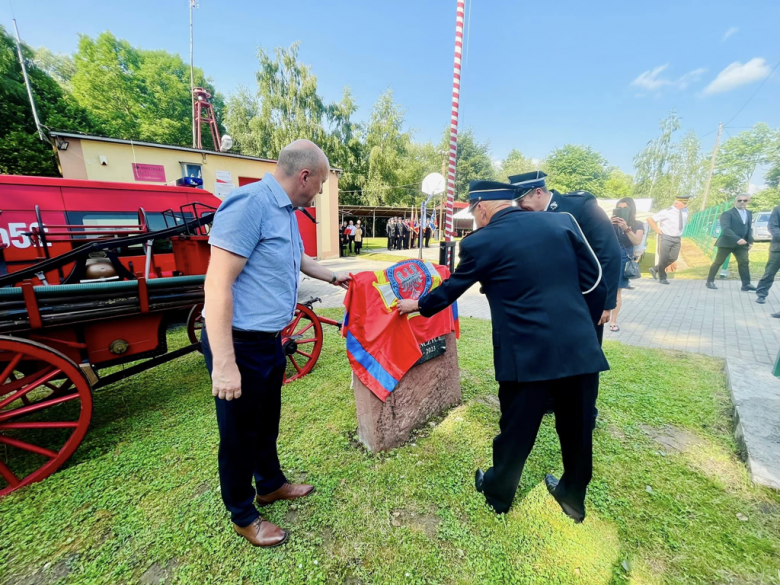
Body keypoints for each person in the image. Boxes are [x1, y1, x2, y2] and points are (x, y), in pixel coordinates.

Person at [398, 180, 608, 522]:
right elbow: (592, 280)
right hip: (579, 347)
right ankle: (573, 497)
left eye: (474, 213)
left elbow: (451, 289)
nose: (475, 220)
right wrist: (579, 327)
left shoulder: (481, 241)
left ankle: (498, 494)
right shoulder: (562, 221)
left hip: (526, 352)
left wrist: (418, 305)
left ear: (482, 208)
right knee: (578, 427)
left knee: (516, 427)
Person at [202, 139, 351, 547]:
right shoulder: (249, 204)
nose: (320, 191)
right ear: (304, 176)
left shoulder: (286, 211)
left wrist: (330, 275)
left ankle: (269, 483)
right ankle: (243, 513)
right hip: (239, 343)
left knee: (266, 424)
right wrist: (225, 364)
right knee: (238, 435)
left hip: (270, 340)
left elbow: (295, 257)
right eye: (320, 183)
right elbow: (217, 284)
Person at [511, 171, 621, 345]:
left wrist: (605, 303)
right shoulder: (529, 216)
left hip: (583, 299)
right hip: (545, 301)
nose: (519, 206)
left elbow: (609, 252)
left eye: (521, 200)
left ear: (538, 192)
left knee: (583, 355)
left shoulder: (581, 207)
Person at [608, 197, 645, 332]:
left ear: (631, 209)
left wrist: (626, 228)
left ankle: (613, 321)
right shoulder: (609, 223)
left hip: (623, 259)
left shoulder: (637, 224)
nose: (622, 210)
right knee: (603, 288)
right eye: (619, 208)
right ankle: (601, 316)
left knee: (617, 291)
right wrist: (607, 224)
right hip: (607, 258)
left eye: (625, 208)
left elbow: (636, 242)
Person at [706, 195, 755, 291]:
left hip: (742, 245)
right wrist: (737, 239)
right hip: (726, 243)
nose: (742, 202)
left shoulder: (749, 213)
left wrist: (750, 241)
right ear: (735, 201)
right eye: (739, 200)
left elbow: (749, 228)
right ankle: (709, 281)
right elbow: (725, 229)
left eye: (744, 200)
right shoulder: (727, 213)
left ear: (748, 201)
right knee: (718, 262)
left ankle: (746, 284)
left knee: (744, 262)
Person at [647, 195, 691, 284]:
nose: (675, 204)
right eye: (676, 202)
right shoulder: (667, 212)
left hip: (677, 238)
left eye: (680, 203)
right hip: (666, 237)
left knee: (673, 257)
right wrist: (657, 230)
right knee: (663, 258)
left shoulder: (685, 211)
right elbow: (650, 219)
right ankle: (662, 278)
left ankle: (655, 269)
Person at [757, 204, 780, 308]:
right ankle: (761, 294)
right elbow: (772, 226)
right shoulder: (778, 209)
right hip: (778, 249)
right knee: (769, 273)